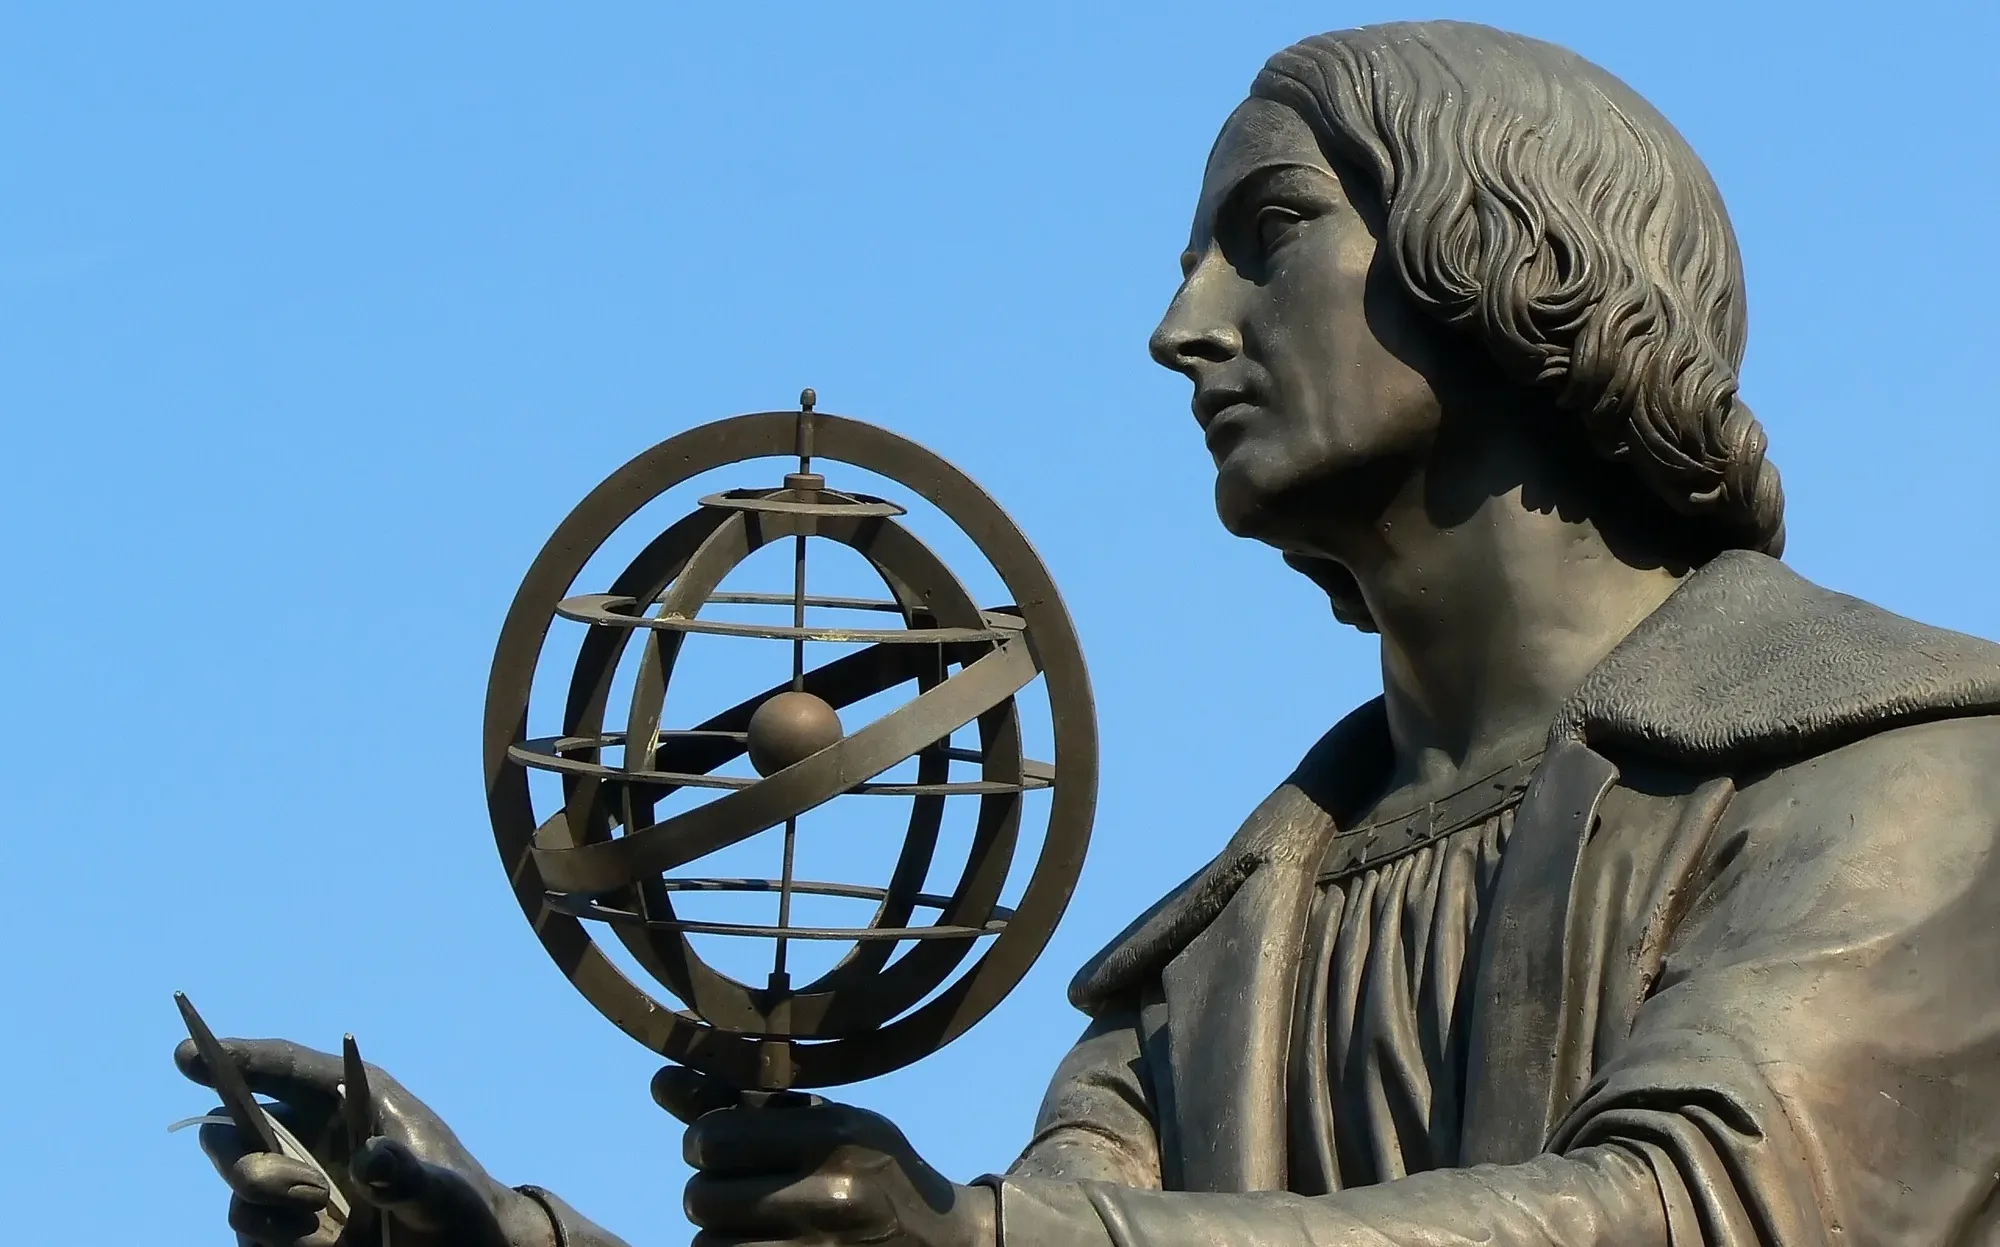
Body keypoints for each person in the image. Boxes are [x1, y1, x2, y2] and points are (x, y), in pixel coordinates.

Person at [178, 20, 2000, 1247]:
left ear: (1511, 258)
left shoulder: (1898, 769)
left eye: (1266, 233)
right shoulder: (1208, 967)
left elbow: (1710, 1206)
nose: (1180, 325)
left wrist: (986, 1234)